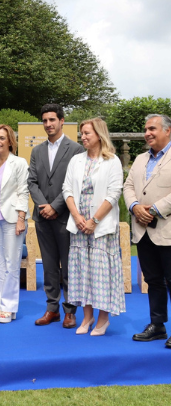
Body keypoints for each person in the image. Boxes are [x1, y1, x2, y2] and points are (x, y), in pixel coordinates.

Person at [62, 118, 125, 336]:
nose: (83, 137)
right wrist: (78, 216)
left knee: (101, 271)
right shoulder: (76, 160)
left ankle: (103, 319)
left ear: (99, 134)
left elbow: (114, 193)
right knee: (82, 270)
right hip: (79, 223)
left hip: (101, 224)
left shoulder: (112, 160)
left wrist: (93, 220)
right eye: (82, 133)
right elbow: (67, 189)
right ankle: (87, 317)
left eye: (87, 133)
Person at [28, 103, 83, 328]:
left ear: (62, 121)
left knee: (69, 265)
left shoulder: (76, 149)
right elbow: (31, 182)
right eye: (45, 121)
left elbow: (74, 183)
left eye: (52, 120)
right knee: (49, 265)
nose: (48, 124)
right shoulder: (36, 150)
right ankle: (52, 309)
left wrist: (56, 206)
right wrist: (43, 205)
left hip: (65, 217)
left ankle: (70, 310)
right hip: (42, 217)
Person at [124, 114, 171, 348]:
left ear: (167, 130)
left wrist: (153, 210)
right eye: (146, 129)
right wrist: (134, 206)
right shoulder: (141, 158)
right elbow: (128, 186)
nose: (147, 133)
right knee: (153, 280)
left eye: (152, 128)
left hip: (166, 230)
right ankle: (158, 326)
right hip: (143, 231)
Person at [0, 124, 29, 323]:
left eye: (2, 138)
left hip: (12, 218)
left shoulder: (19, 163)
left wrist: (21, 218)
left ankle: (9, 306)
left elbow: (23, 191)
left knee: (12, 262)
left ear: (10, 141)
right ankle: (2, 305)